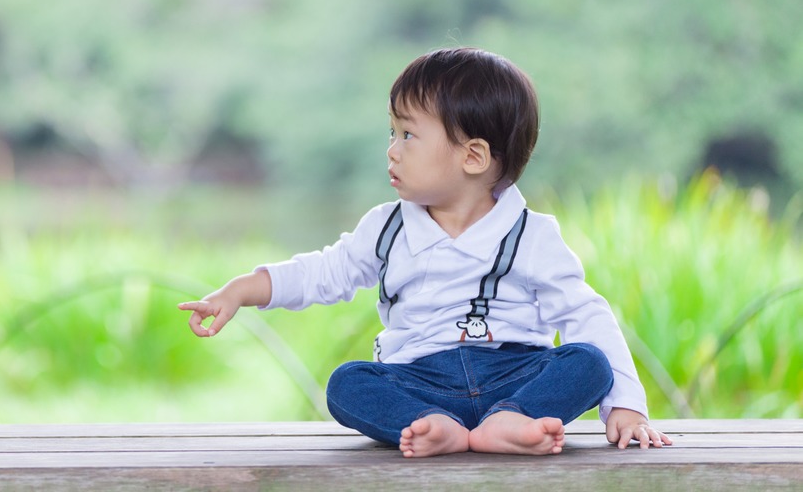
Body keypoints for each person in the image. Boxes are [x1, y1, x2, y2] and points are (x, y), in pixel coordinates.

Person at [179, 47, 672, 457]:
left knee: (588, 362)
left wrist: (626, 404)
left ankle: (510, 420)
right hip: (419, 377)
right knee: (347, 384)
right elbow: (323, 272)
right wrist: (244, 290)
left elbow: (585, 313)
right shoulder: (387, 227)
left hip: (515, 371)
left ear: (473, 156)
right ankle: (432, 425)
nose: (392, 149)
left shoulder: (531, 236)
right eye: (392, 132)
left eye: (409, 134)